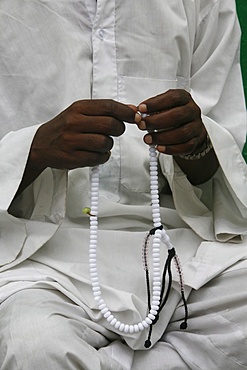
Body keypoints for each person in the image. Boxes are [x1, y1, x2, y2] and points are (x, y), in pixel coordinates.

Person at [0, 0, 247, 369]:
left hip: (181, 254)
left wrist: (196, 144)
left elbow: (219, 165)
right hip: (34, 257)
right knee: (37, 344)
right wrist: (35, 150)